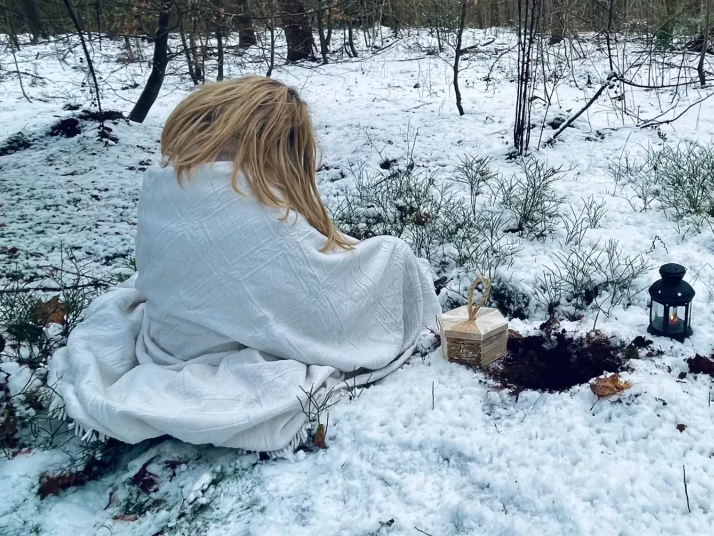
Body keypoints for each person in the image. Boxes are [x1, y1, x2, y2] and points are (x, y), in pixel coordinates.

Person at [50, 77, 441, 452]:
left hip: (168, 339)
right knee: (394, 258)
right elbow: (311, 292)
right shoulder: (241, 199)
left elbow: (268, 261)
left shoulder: (168, 183)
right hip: (206, 344)